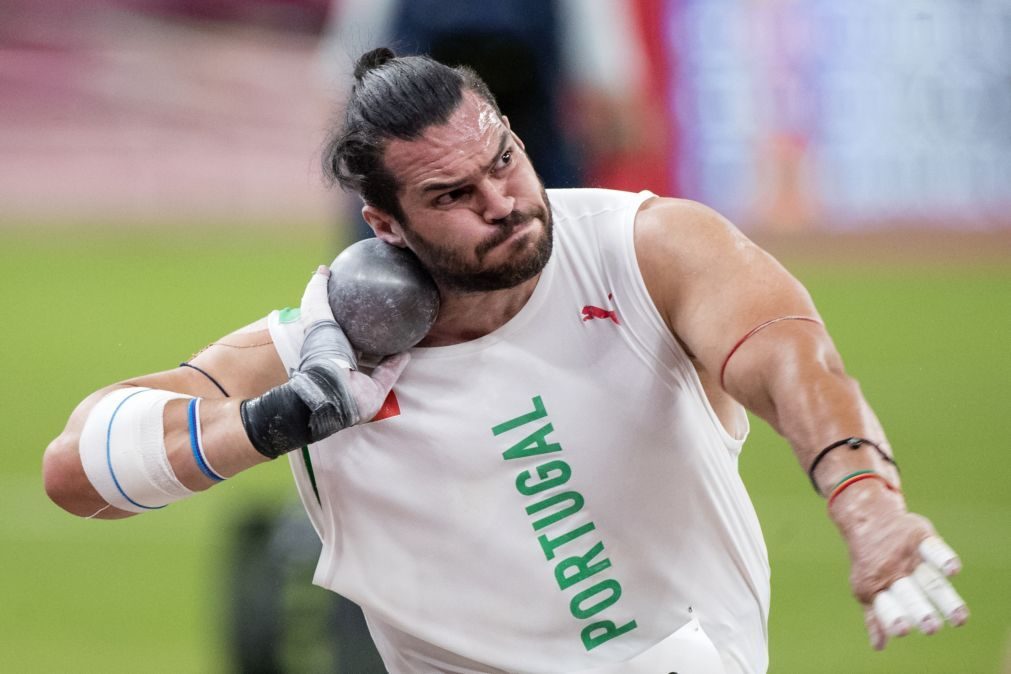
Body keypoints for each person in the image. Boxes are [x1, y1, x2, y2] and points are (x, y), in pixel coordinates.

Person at [43, 48, 969, 673]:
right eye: (452, 193)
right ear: (386, 224)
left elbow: (787, 355)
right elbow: (78, 471)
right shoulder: (319, 350)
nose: (505, 202)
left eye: (506, 159)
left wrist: (865, 502)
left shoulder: (643, 249)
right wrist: (280, 420)